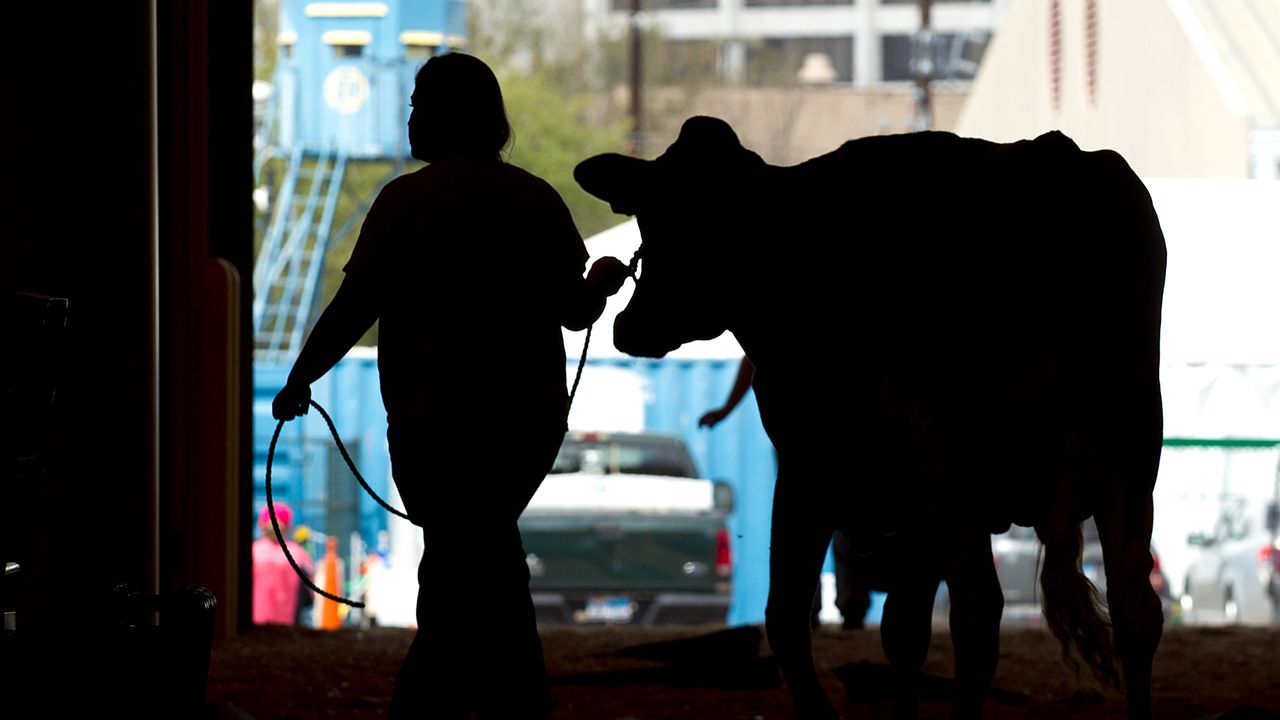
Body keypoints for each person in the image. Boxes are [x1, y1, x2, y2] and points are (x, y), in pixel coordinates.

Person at [271, 52, 630, 719]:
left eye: (417, 103)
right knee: (484, 556)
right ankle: (509, 700)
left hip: (431, 425)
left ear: (440, 116)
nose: (408, 116)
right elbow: (574, 311)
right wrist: (603, 284)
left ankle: (437, 701)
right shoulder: (535, 199)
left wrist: (301, 378)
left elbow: (355, 307)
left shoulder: (403, 203)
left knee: (459, 560)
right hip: (522, 427)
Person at [698, 356, 871, 629]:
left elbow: (752, 357)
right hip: (837, 433)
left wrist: (726, 410)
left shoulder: (779, 329)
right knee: (838, 520)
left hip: (804, 436)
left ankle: (811, 609)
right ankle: (847, 606)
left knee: (804, 524)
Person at [252, 502, 314, 626]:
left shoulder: (252, 552)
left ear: (261, 524)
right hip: (288, 627)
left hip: (254, 627)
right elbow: (309, 597)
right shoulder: (299, 555)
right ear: (288, 525)